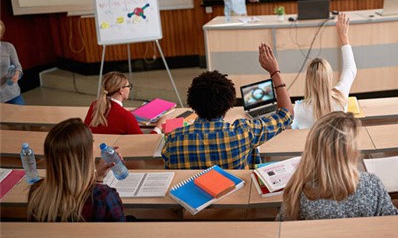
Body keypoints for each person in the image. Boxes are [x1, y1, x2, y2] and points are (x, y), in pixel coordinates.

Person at [162, 43, 293, 169]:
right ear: (229, 104)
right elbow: (286, 115)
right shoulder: (244, 133)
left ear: (192, 103)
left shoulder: (173, 140)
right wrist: (274, 71)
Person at [278, 112, 398, 220]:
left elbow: (281, 230)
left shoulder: (297, 190)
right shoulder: (372, 185)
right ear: (352, 151)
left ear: (312, 148)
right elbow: (397, 223)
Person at [28, 118, 125, 222]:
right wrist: (98, 184)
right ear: (85, 154)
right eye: (92, 141)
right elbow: (121, 233)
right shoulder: (104, 196)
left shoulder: (36, 192)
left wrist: (98, 178)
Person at [291, 13, 357, 129]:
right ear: (329, 77)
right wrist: (343, 36)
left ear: (308, 80)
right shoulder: (341, 98)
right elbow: (350, 68)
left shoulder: (299, 110)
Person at [84, 72, 164, 135]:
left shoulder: (95, 105)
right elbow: (143, 141)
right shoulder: (125, 116)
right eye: (128, 86)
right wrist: (159, 126)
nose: (129, 89)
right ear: (121, 90)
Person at [0, 20, 25, 105]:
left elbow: (18, 66)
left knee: (22, 117)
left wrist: (17, 74)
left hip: (13, 95)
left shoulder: (8, 47)